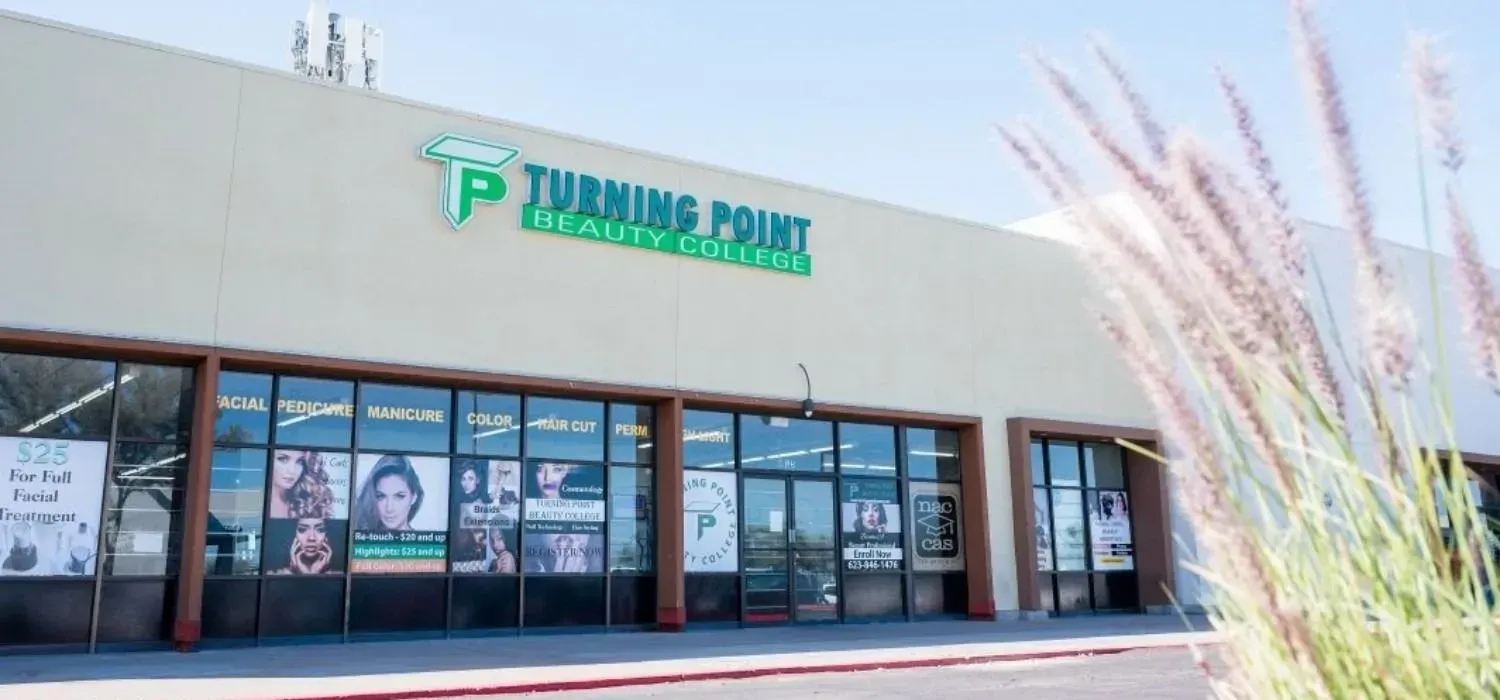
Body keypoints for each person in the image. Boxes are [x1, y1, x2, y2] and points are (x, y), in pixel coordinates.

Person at [355, 455, 425, 532]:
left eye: (399, 496)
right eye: (381, 496)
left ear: (414, 497)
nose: (389, 508)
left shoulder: (425, 542)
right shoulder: (361, 538)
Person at [269, 450, 336, 519]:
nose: (292, 471)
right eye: (283, 459)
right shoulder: (258, 497)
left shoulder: (312, 501)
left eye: (299, 461)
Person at [266, 518, 338, 575]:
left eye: (320, 530)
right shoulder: (272, 575)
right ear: (293, 534)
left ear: (327, 536)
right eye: (302, 529)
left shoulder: (340, 576)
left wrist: (310, 574)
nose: (311, 538)